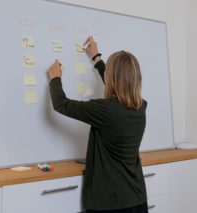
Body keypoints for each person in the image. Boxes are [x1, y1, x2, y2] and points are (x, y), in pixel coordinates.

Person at [47, 36, 148, 213]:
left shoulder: (105, 110)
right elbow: (117, 84)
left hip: (110, 203)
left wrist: (55, 79)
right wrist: (97, 58)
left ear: (112, 78)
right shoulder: (140, 106)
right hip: (137, 198)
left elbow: (61, 104)